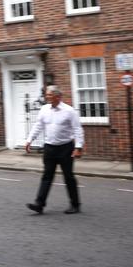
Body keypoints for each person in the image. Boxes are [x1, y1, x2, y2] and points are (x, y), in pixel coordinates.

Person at [25, 85, 84, 214]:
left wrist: (78, 147)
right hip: (49, 148)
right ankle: (39, 204)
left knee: (68, 177)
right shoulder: (44, 109)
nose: (47, 97)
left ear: (58, 96)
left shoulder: (69, 111)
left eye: (49, 95)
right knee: (47, 176)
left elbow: (77, 129)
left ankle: (75, 204)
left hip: (66, 148)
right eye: (47, 95)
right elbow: (38, 126)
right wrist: (29, 140)